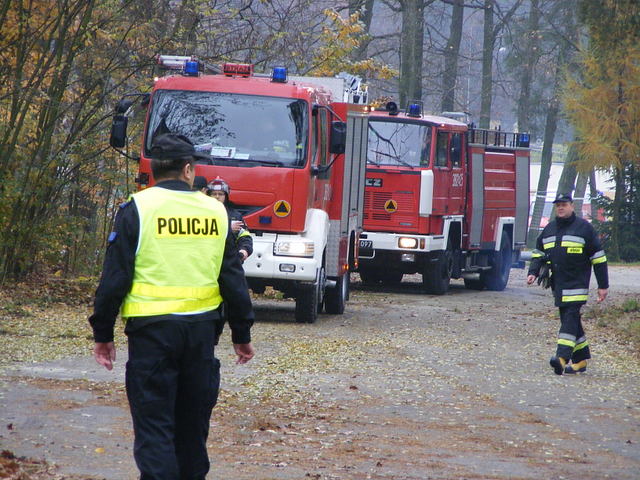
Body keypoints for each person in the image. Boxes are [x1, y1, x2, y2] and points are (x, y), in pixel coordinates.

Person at [88, 133, 255, 479]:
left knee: (154, 429)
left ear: (154, 169)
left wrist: (103, 333)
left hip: (151, 335)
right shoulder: (215, 212)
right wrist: (242, 333)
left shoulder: (136, 208)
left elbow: (115, 277)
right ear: (188, 170)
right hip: (201, 335)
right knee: (192, 432)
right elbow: (232, 277)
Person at [527, 192, 609, 375]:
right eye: (558, 205)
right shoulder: (549, 229)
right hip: (558, 284)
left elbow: (599, 258)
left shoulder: (584, 228)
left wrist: (603, 285)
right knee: (570, 320)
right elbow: (539, 253)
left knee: (570, 317)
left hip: (577, 283)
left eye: (564, 204)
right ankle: (580, 361)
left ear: (572, 206)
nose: (560, 208)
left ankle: (562, 357)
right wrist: (533, 272)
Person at [206, 177, 253, 263]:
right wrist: (228, 228)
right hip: (208, 258)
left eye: (220, 194)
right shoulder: (203, 214)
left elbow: (244, 236)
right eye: (214, 194)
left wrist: (245, 249)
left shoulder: (235, 216)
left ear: (226, 196)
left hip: (229, 260)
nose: (217, 197)